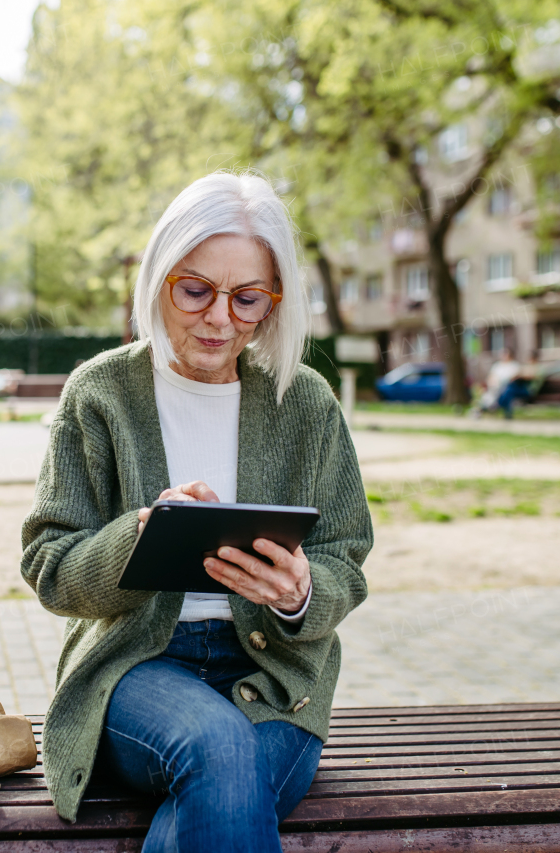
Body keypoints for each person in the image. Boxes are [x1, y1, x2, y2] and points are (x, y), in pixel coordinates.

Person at [21, 172, 373, 851]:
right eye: (195, 290)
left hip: (275, 676)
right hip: (136, 669)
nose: (219, 319)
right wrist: (138, 538)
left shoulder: (307, 403)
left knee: (221, 774)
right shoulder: (99, 393)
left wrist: (302, 593)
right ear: (159, 277)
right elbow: (50, 566)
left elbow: (345, 556)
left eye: (247, 299)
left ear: (274, 302)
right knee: (219, 746)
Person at [472, 348, 520, 417]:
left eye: (505, 354)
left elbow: (513, 377)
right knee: (487, 393)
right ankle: (482, 407)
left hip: (505, 386)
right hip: (494, 386)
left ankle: (485, 407)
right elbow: (491, 376)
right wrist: (491, 382)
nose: (503, 355)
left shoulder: (514, 365)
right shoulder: (497, 365)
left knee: (499, 393)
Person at [497, 349, 541, 419]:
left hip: (529, 390)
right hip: (521, 388)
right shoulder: (527, 366)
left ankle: (500, 404)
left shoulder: (539, 368)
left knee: (509, 390)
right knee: (509, 389)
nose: (529, 360)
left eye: (531, 358)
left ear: (535, 358)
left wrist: (521, 376)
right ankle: (505, 410)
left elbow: (531, 377)